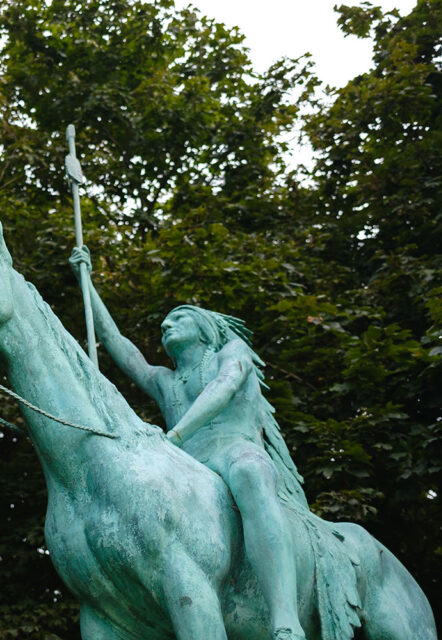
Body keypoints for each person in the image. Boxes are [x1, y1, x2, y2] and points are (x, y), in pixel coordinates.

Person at [70, 246, 308, 640]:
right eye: (163, 323)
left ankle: (285, 618)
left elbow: (225, 384)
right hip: (188, 465)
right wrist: (86, 281)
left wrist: (176, 435)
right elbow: (115, 341)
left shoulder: (230, 352)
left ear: (204, 329)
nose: (166, 325)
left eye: (177, 317)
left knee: (251, 471)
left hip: (234, 447)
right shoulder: (165, 380)